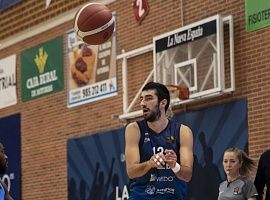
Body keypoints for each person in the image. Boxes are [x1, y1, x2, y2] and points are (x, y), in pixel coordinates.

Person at [125, 81, 194, 200]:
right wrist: (149, 163)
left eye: (148, 98)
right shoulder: (134, 129)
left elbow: (187, 175)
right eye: (141, 99)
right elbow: (131, 172)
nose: (142, 103)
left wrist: (174, 165)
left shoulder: (183, 131)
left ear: (163, 103)